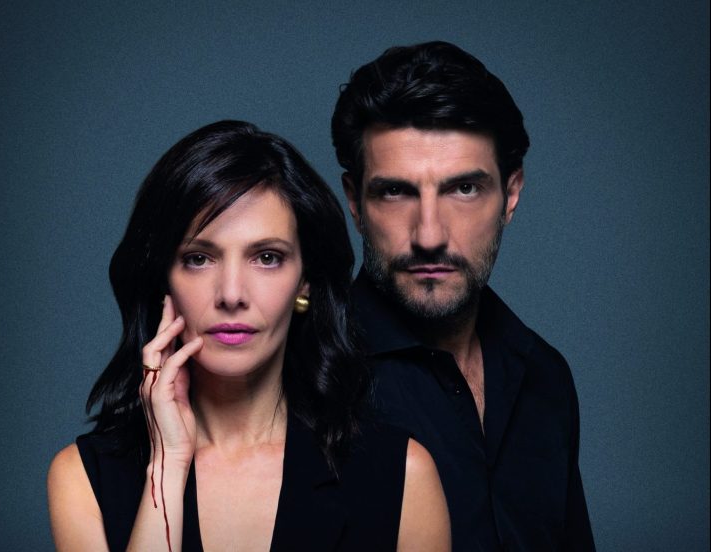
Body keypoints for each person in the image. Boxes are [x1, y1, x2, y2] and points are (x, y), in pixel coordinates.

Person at [47, 121, 449, 551]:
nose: (232, 294)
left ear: (305, 283)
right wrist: (166, 466)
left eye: (267, 257)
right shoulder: (83, 478)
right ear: (163, 279)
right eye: (199, 258)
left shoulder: (401, 477)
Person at [331, 41, 595, 551]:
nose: (429, 235)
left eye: (463, 189)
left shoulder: (545, 377)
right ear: (355, 203)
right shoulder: (309, 376)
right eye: (396, 191)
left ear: (510, 195)